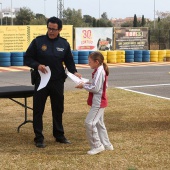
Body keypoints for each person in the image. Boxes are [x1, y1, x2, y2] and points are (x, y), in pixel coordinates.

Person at [24, 16, 81, 148]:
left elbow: (69, 63)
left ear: (59, 29)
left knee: (58, 109)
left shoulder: (64, 44)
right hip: (41, 81)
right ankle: (39, 138)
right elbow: (27, 58)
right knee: (38, 110)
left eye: (54, 29)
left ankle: (59, 135)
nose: (51, 31)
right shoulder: (38, 42)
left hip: (57, 82)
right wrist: (37, 65)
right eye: (49, 28)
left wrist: (75, 72)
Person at [76, 51, 113, 155]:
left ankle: (97, 145)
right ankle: (107, 145)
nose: (89, 64)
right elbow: (97, 84)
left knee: (90, 122)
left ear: (96, 62)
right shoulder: (99, 70)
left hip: (98, 101)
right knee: (99, 123)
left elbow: (96, 88)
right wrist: (86, 83)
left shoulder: (100, 71)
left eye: (90, 61)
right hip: (99, 100)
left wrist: (83, 86)